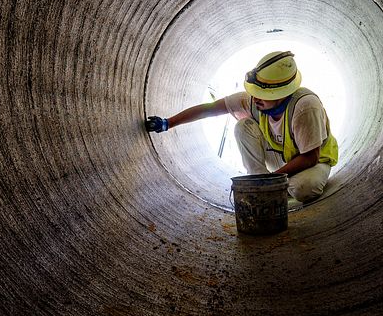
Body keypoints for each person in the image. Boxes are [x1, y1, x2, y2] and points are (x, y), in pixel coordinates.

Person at [145, 50, 338, 203]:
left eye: (262, 95)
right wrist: (168, 123)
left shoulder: (305, 107)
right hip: (279, 158)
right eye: (255, 92)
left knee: (303, 189)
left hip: (313, 161)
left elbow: (310, 157)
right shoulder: (253, 102)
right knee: (243, 126)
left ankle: (270, 187)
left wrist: (273, 179)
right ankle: (261, 184)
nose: (255, 99)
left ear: (282, 94)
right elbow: (211, 109)